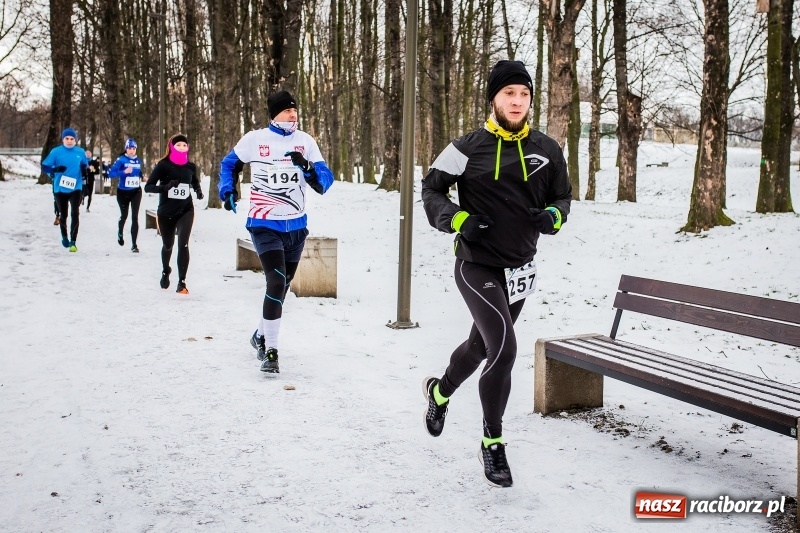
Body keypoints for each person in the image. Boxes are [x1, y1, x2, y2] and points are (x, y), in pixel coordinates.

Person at [420, 60, 572, 487]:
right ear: (494, 99)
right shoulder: (466, 146)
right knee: (503, 349)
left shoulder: (548, 148)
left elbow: (563, 197)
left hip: (520, 267)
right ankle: (493, 443)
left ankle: (439, 392)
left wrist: (553, 217)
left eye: (523, 94)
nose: (517, 101)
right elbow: (430, 188)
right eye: (509, 94)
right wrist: (456, 219)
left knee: (480, 347)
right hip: (476, 262)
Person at [218, 90, 334, 373]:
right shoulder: (255, 139)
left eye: (295, 110)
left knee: (281, 288)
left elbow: (325, 181)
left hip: (296, 226)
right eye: (286, 111)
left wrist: (306, 167)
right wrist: (227, 189)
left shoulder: (305, 142)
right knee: (275, 281)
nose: (293, 114)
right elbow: (229, 163)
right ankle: (270, 350)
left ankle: (259, 335)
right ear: (274, 114)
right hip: (263, 223)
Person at [144, 134, 203, 294]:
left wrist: (197, 190)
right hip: (166, 212)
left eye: (185, 145)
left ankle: (181, 282)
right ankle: (165, 270)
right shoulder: (163, 165)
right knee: (168, 245)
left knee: (183, 244)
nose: (182, 148)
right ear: (172, 147)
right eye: (179, 145)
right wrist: (165, 187)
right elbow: (148, 187)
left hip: (186, 210)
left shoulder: (190, 166)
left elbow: (194, 180)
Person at [41, 128, 89, 252]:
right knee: (64, 214)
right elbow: (45, 167)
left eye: (72, 139)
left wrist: (85, 174)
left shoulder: (80, 151)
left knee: (75, 213)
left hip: (76, 187)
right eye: (66, 139)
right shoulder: (56, 152)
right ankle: (64, 237)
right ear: (63, 139)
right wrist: (55, 170)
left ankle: (73, 241)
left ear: (75, 140)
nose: (69, 141)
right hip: (60, 188)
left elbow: (84, 165)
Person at [109, 139, 144, 252]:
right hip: (123, 192)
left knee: (135, 217)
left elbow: (138, 172)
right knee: (124, 215)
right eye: (129, 148)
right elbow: (111, 174)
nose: (132, 151)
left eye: (134, 148)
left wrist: (142, 176)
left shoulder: (138, 160)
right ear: (126, 148)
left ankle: (134, 244)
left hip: (136, 191)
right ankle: (120, 232)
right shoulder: (121, 160)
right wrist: (123, 172)